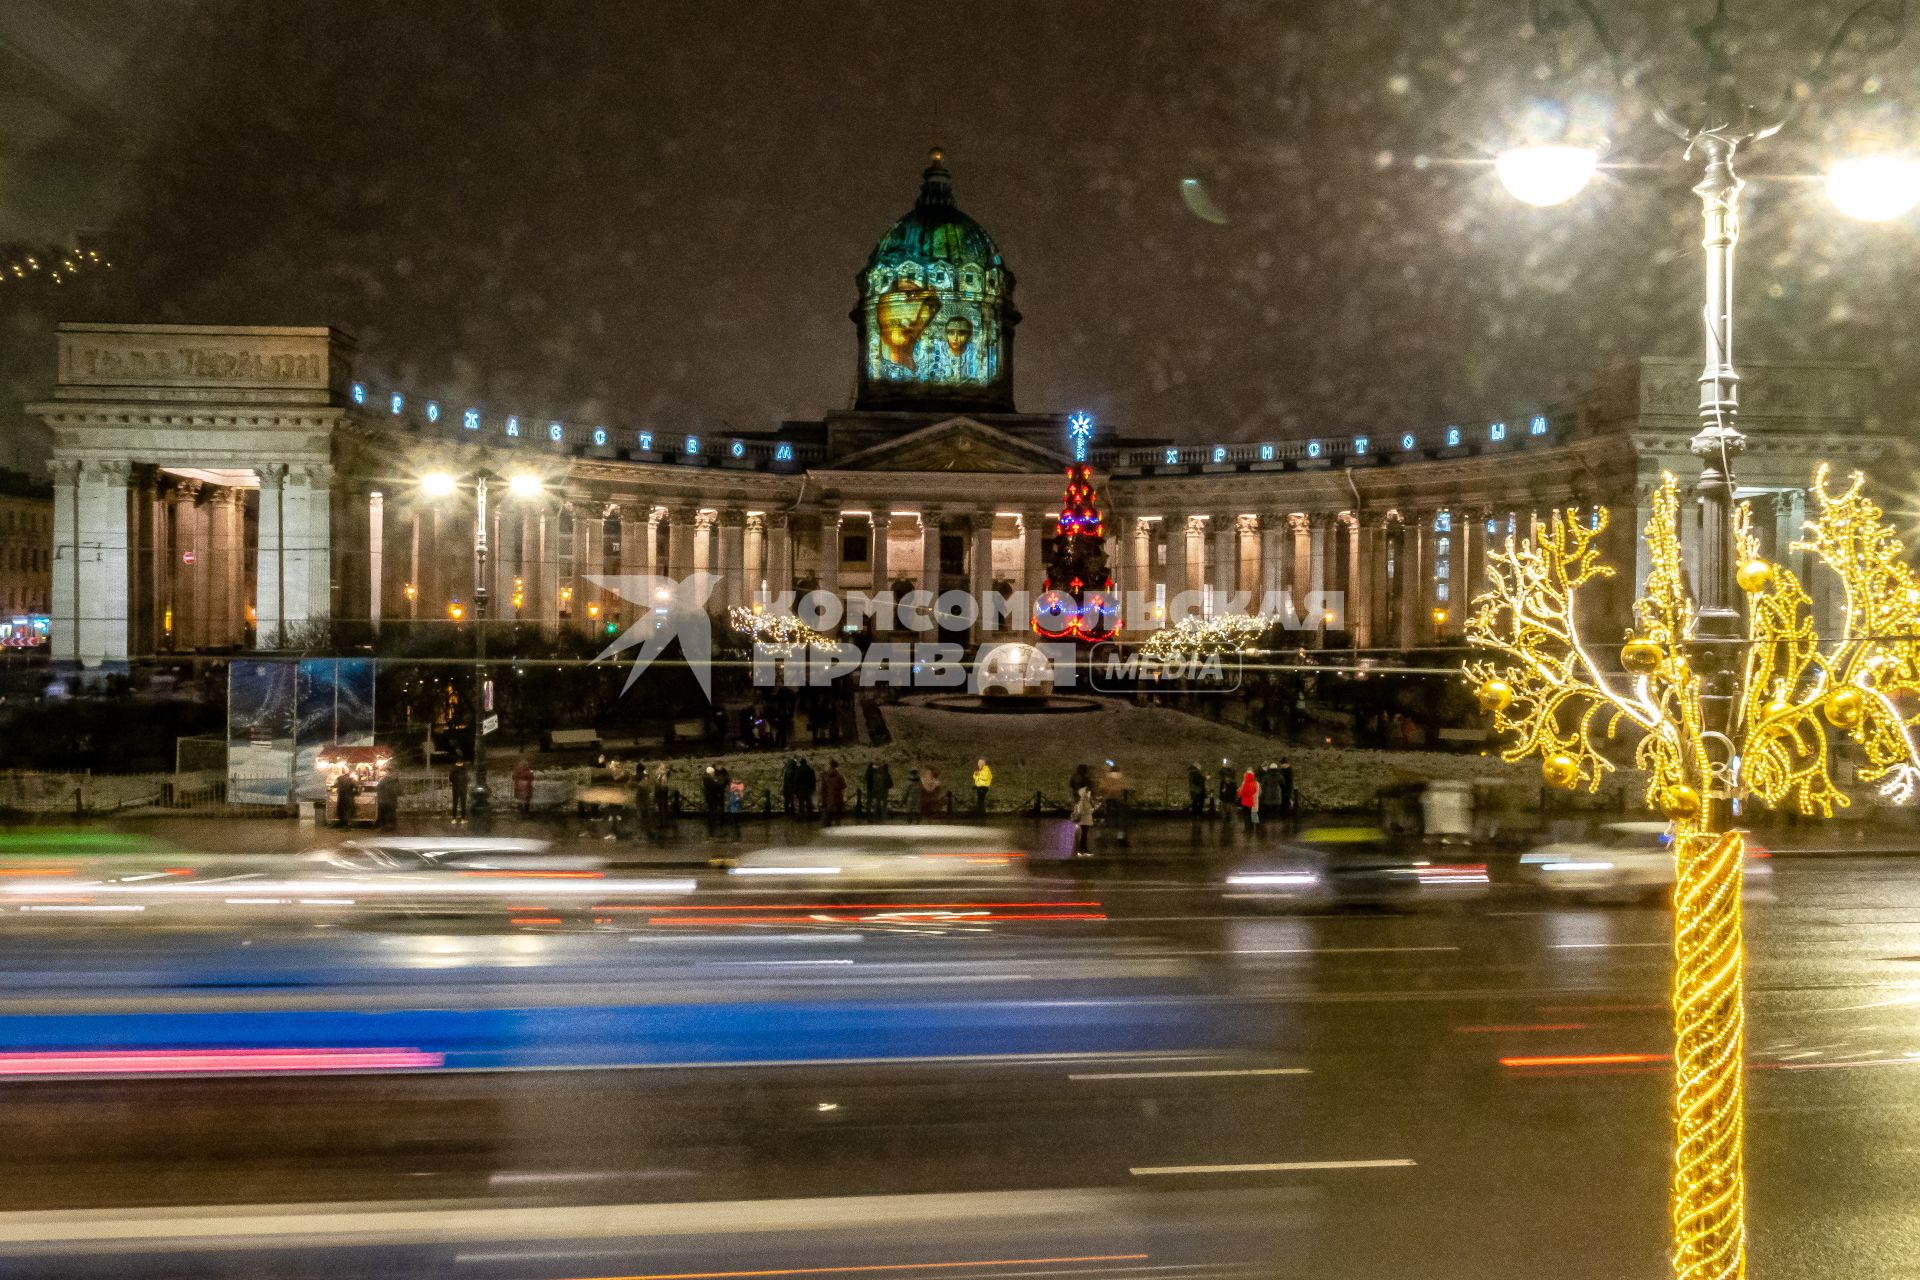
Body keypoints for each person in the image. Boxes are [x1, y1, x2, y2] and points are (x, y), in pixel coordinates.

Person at [1099, 762, 1128, 844]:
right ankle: (1120, 835)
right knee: (1120, 816)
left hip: (1109, 798)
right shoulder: (1120, 775)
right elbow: (1122, 787)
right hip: (1118, 798)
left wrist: (1104, 797)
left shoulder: (1108, 776)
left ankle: (1102, 834)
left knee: (1107, 815)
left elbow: (1104, 788)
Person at [1070, 785, 1096, 856]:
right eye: (1088, 792)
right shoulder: (1082, 801)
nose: (1089, 793)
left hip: (1086, 820)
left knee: (1084, 835)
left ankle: (1084, 849)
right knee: (1083, 836)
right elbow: (1081, 811)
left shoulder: (1087, 800)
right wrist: (1089, 810)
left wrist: (1091, 809)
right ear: (1084, 793)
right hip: (1083, 821)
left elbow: (1088, 810)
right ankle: (1081, 850)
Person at [821, 760, 846, 827]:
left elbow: (823, 790)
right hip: (837, 800)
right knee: (837, 819)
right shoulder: (840, 776)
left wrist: (822, 801)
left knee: (827, 821)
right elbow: (843, 788)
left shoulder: (825, 776)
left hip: (828, 800)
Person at [701, 762, 724, 835]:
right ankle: (712, 823)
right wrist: (717, 783)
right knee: (712, 810)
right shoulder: (709, 779)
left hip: (711, 796)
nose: (714, 773)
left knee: (712, 810)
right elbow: (714, 786)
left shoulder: (707, 778)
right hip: (711, 796)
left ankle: (712, 822)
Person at [651, 760, 673, 831]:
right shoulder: (658, 773)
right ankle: (661, 823)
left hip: (663, 790)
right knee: (661, 807)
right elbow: (656, 781)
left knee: (664, 807)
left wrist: (663, 773)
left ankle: (664, 823)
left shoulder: (666, 772)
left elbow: (668, 773)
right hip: (659, 791)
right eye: (662, 766)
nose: (663, 767)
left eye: (664, 766)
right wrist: (660, 775)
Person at [450, 753, 469, 823]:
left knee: (455, 803)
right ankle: (463, 819)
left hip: (455, 787)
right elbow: (467, 778)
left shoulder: (453, 768)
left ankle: (454, 819)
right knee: (463, 803)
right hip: (463, 788)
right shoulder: (464, 768)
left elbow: (450, 777)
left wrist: (454, 782)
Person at [1278, 756, 1296, 823]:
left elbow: (1283, 780)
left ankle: (1285, 817)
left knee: (1285, 803)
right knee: (1287, 802)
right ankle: (1287, 817)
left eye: (1281, 764)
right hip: (1288, 789)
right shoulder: (1289, 769)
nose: (1280, 765)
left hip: (1285, 789)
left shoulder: (1284, 770)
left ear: (1284, 764)